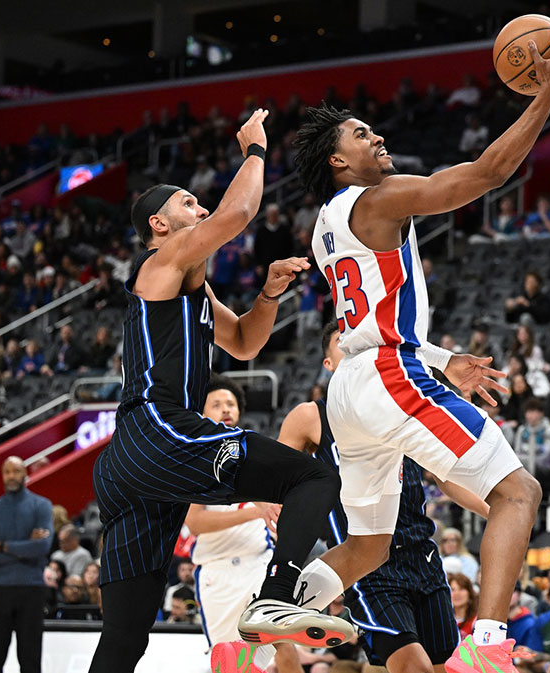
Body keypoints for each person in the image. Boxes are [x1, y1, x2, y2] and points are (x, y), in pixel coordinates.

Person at [295, 31, 550, 671]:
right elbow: (487, 174)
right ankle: (487, 650)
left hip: (352, 393)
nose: (377, 138)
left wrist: (441, 355)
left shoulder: (325, 228)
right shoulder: (377, 199)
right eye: (362, 135)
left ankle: (280, 598)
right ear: (339, 163)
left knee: (367, 548)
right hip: (391, 378)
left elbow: (368, 318)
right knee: (518, 494)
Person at [91, 109, 353, 672]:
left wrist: (269, 293)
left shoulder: (191, 281)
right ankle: (278, 597)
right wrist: (255, 152)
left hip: (133, 463)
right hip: (157, 429)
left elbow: (242, 344)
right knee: (313, 477)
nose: (201, 209)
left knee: (126, 635)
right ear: (159, 225)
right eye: (187, 203)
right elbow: (237, 210)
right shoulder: (162, 262)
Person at [276, 325, 490, 673]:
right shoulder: (311, 415)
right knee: (412, 667)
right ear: (329, 363)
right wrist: (268, 503)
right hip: (366, 561)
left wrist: (491, 509)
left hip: (422, 555)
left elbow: (445, 476)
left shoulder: (403, 408)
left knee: (440, 668)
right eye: (346, 347)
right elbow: (275, 474)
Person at [185, 375, 296, 673]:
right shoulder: (193, 460)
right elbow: (195, 522)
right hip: (219, 572)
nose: (226, 409)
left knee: (284, 647)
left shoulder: (254, 453)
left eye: (231, 404)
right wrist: (253, 512)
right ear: (202, 412)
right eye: (217, 404)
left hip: (259, 563)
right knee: (233, 662)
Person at [0, 456, 53, 673]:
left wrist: (1, 546)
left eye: (16, 471)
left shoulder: (41, 505)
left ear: (25, 473)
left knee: (30, 659)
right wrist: (26, 547)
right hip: (0, 589)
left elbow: (42, 547)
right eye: (7, 472)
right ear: (2, 476)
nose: (12, 476)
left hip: (32, 589)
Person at [450, 573, 479, 638]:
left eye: (461, 589)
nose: (456, 593)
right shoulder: (445, 619)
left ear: (470, 592)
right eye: (453, 590)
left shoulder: (476, 620)